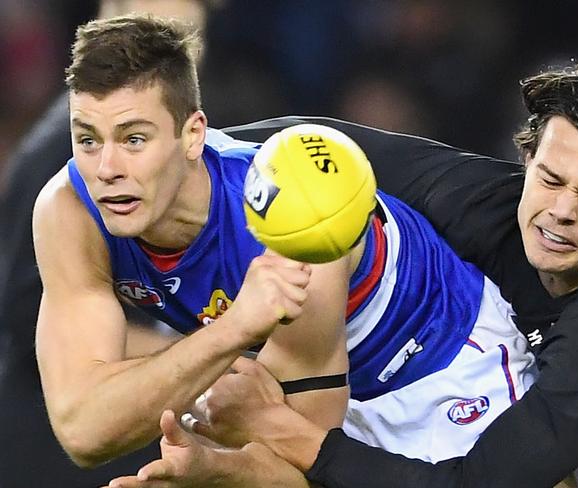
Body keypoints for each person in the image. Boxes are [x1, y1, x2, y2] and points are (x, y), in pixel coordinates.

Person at [34, 13, 537, 487]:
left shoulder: (290, 216)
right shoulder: (69, 210)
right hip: (284, 366)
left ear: (193, 135)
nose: (106, 169)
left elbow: (315, 462)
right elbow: (82, 431)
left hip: (437, 352)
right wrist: (236, 331)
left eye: (134, 139)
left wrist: (220, 470)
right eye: (88, 139)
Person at [110, 64, 578, 488]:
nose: (562, 210)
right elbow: (309, 148)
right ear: (525, 159)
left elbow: (484, 483)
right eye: (552, 179)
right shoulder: (481, 204)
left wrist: (285, 431)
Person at [0, 1, 216, 486]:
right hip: (46, 448)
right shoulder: (66, 158)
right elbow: (23, 308)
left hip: (137, 428)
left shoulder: (176, 133)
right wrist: (213, 352)